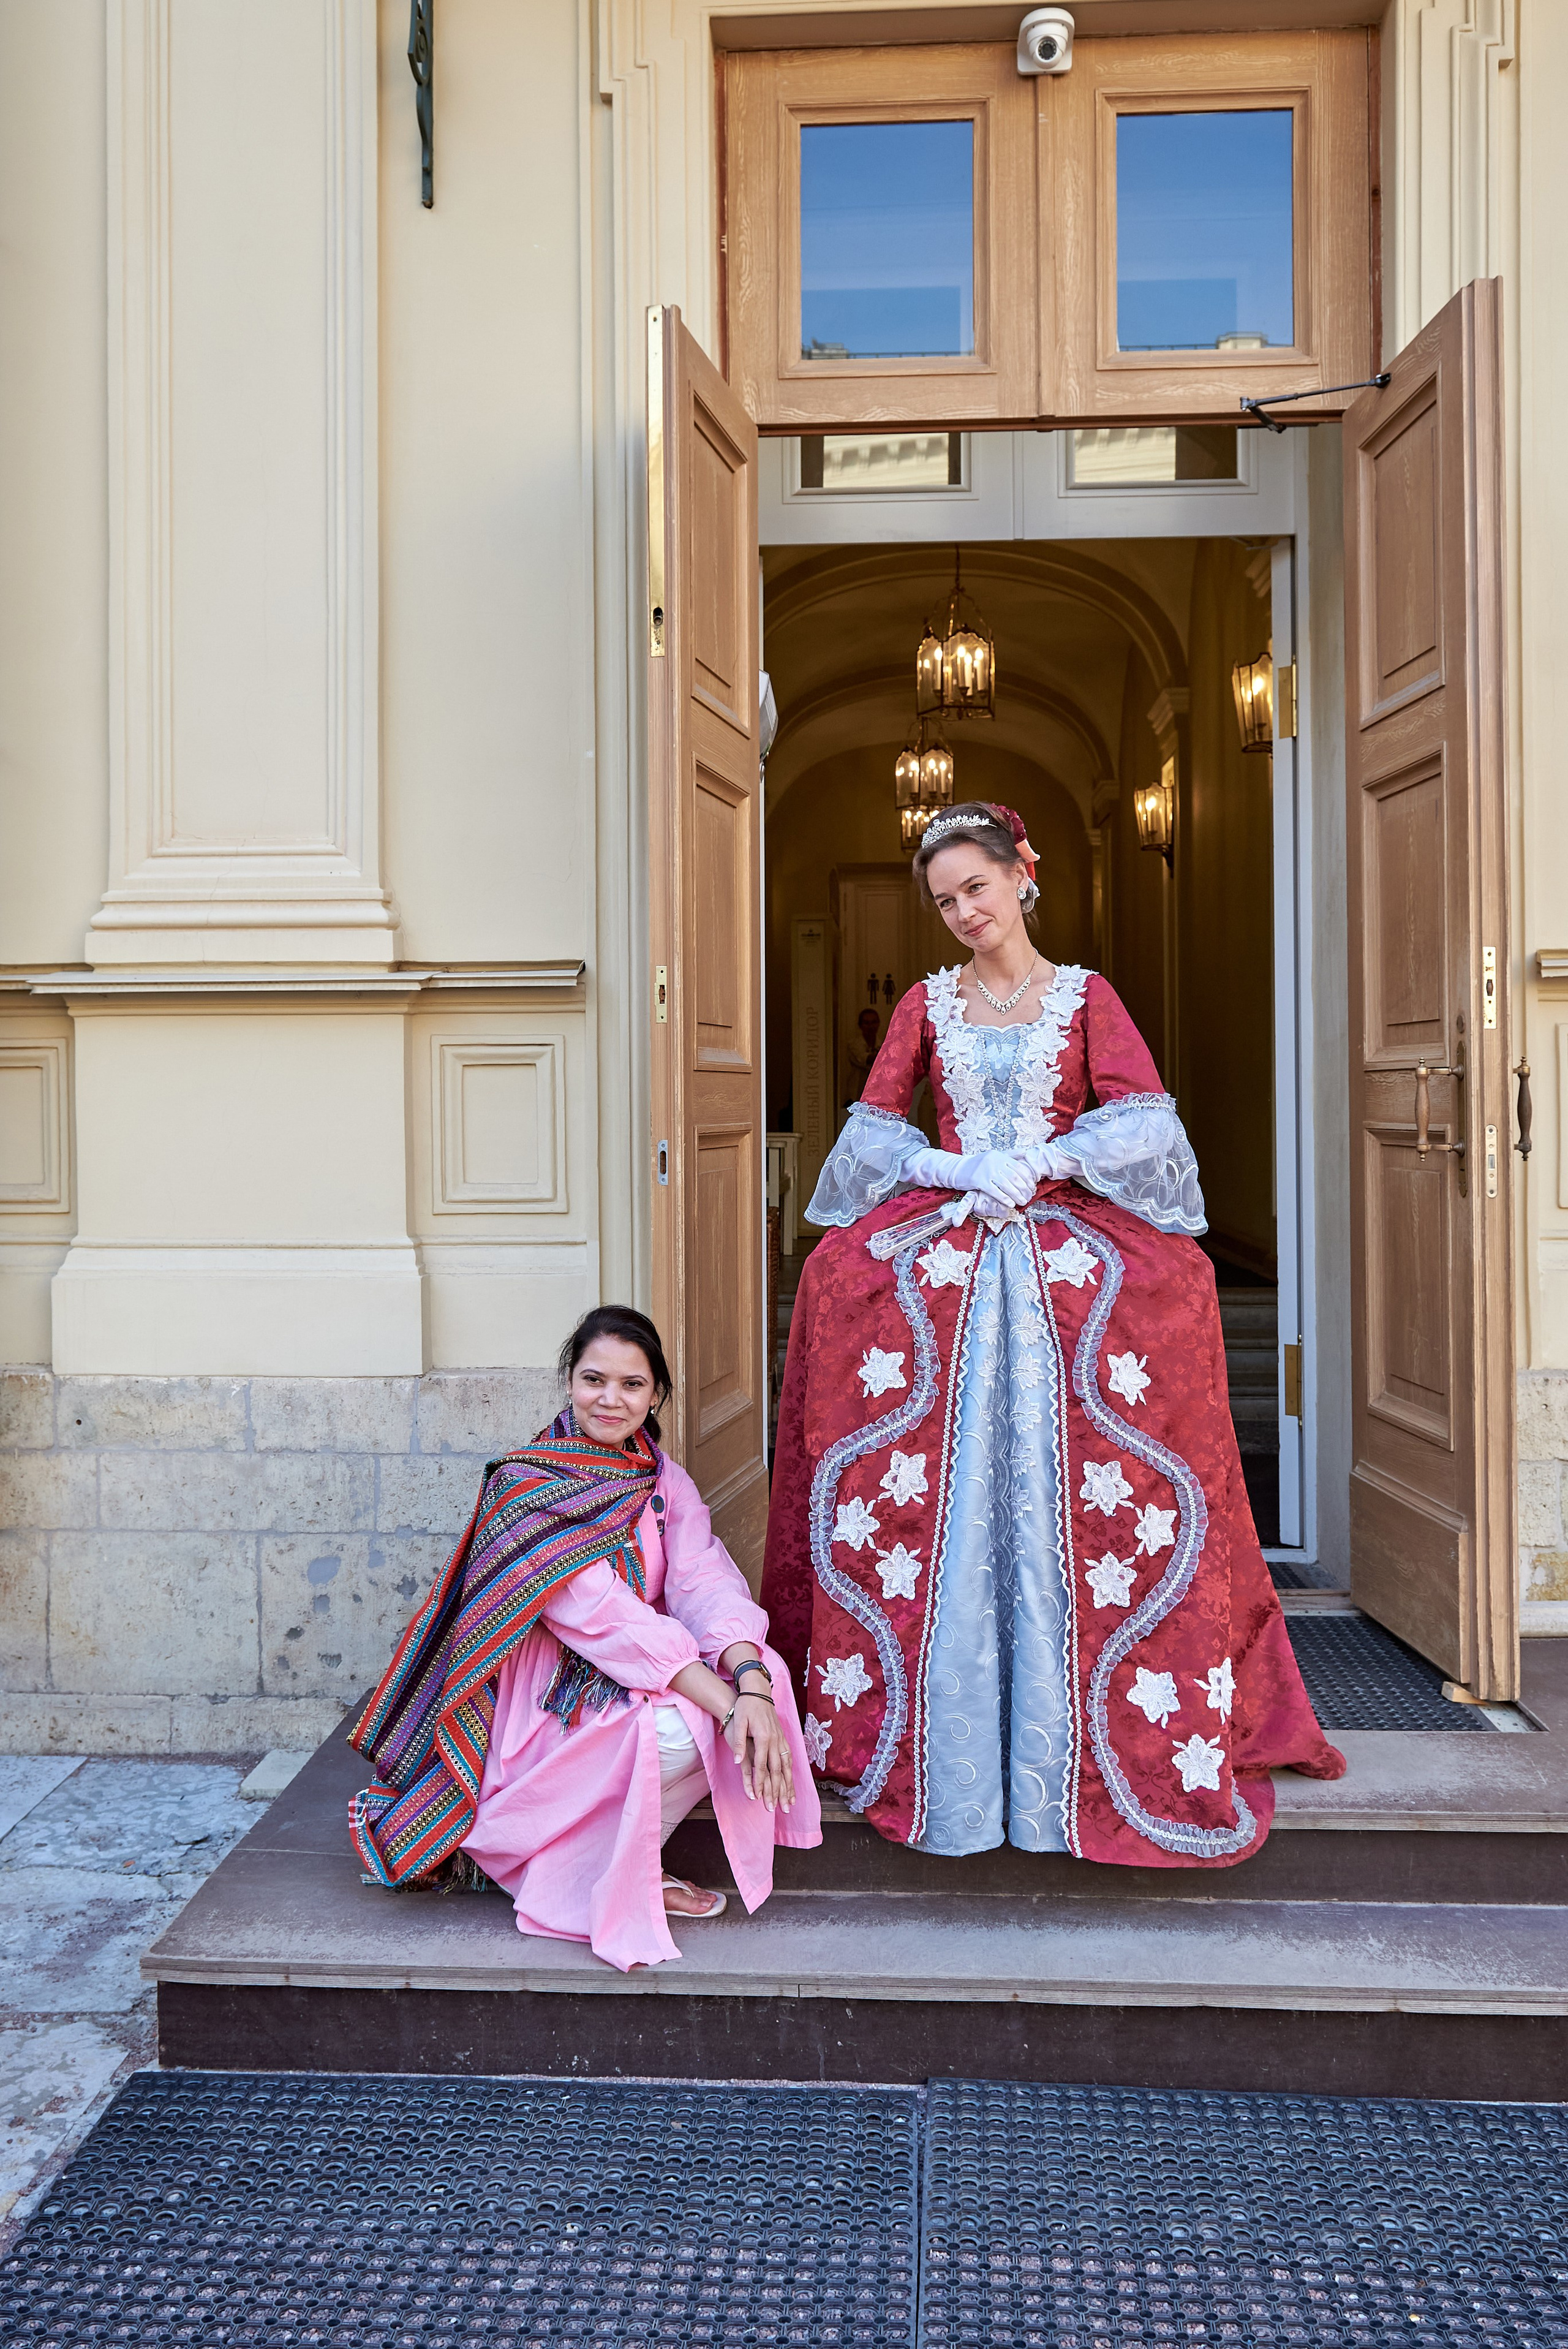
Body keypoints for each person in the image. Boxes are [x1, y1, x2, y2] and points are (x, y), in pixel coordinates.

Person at [762, 801, 1343, 1870]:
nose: (963, 913)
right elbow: (875, 1131)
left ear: (1022, 874)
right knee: (850, 1286)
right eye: (943, 901)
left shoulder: (1085, 996)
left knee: (1169, 1294)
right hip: (959, 1223)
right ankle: (940, 1733)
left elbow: (1144, 1120)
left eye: (976, 888)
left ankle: (1082, 1733)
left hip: (1057, 1226)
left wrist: (1046, 1160)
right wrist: (954, 1168)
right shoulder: (930, 1005)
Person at [350, 1305, 821, 1970]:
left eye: (632, 1385)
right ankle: (549, 1862)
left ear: (655, 1394)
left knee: (758, 1670)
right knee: (690, 1722)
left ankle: (623, 1867)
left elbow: (704, 1582)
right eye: (594, 1379)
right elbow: (602, 1620)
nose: (610, 1399)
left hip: (634, 1667)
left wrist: (749, 1681)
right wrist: (730, 1704)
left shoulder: (661, 1478)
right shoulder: (527, 1487)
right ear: (569, 1381)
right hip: (549, 1694)